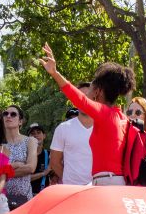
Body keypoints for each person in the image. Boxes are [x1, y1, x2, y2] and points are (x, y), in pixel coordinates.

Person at [40, 44, 135, 187]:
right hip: (116, 183)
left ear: (98, 92)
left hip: (106, 183)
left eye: (90, 90)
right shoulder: (122, 117)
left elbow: (78, 98)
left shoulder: (104, 113)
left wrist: (54, 73)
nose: (87, 95)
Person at [50, 82, 94, 186]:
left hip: (98, 190)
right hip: (70, 190)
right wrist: (68, 180)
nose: (84, 100)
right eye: (80, 96)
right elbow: (54, 162)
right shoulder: (63, 128)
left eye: (88, 96)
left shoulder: (105, 128)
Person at [2, 105, 38, 210]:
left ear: (20, 121)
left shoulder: (30, 141)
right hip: (1, 199)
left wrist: (3, 172)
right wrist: (17, 165)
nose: (8, 116)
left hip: (24, 199)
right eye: (5, 114)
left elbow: (30, 168)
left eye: (13, 114)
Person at [28, 123, 51, 195]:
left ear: (44, 136)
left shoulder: (49, 155)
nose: (36, 135)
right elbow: (23, 179)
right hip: (26, 196)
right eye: (32, 133)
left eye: (38, 133)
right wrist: (43, 173)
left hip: (43, 196)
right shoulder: (24, 155)